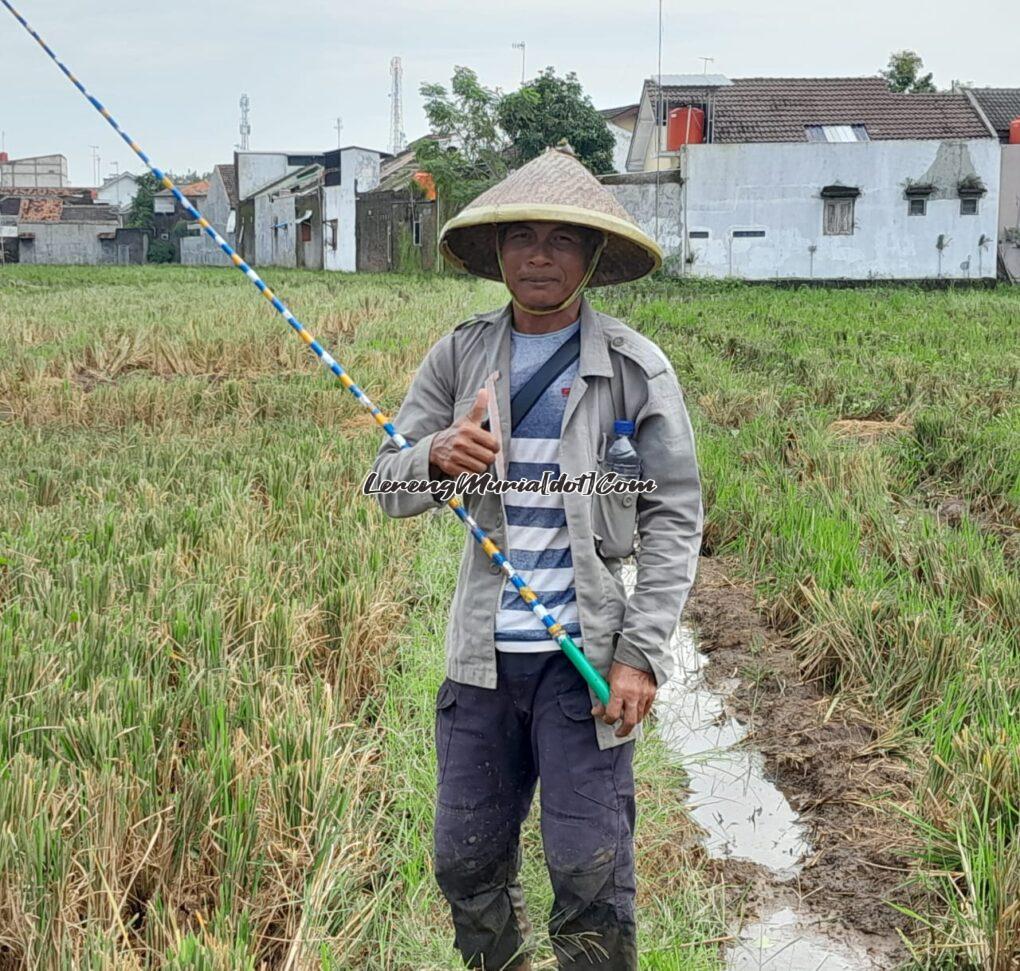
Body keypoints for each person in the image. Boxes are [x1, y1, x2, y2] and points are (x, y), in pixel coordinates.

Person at [370, 144, 702, 970]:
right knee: (463, 858)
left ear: (591, 257)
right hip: (482, 661)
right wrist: (435, 456)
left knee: (588, 865)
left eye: (562, 239)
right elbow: (385, 484)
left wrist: (641, 656)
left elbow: (673, 515)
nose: (540, 255)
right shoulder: (459, 356)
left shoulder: (631, 367)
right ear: (500, 253)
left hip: (583, 664)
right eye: (523, 237)